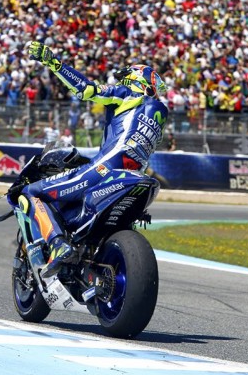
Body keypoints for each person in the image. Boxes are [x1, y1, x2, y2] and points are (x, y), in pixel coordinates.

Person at [11, 41, 168, 278]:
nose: (120, 83)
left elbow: (86, 89)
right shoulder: (158, 117)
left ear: (136, 80)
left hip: (106, 169)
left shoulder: (128, 95)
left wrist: (53, 63)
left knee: (31, 192)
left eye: (124, 79)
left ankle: (57, 243)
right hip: (135, 175)